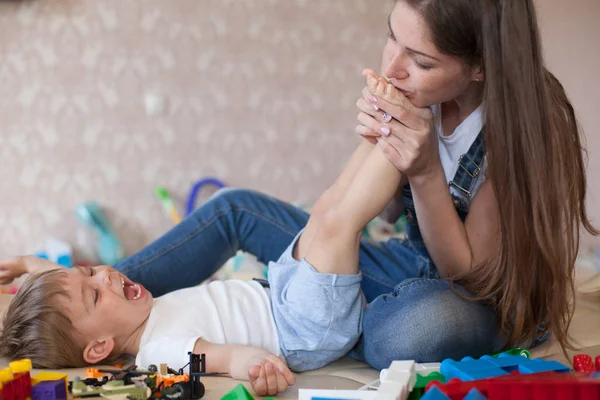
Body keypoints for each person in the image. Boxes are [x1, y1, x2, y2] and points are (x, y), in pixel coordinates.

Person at [2, 0, 597, 372]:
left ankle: (327, 316)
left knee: (410, 332)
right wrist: (374, 151)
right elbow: (372, 206)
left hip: (481, 295)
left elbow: (465, 273)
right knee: (236, 209)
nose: (392, 67)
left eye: (418, 60)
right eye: (392, 36)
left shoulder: (525, 124)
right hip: (403, 265)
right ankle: (76, 307)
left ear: (481, 65)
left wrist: (421, 170)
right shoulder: (426, 96)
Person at [0, 75, 409, 397]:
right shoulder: (159, 352)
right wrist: (257, 366)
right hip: (301, 329)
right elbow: (223, 358)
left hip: (285, 295)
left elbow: (70, 295)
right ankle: (407, 128)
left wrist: (30, 266)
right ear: (99, 349)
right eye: (94, 293)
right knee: (339, 223)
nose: (104, 276)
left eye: (90, 272)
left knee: (324, 212)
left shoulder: (138, 314)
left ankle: (380, 127)